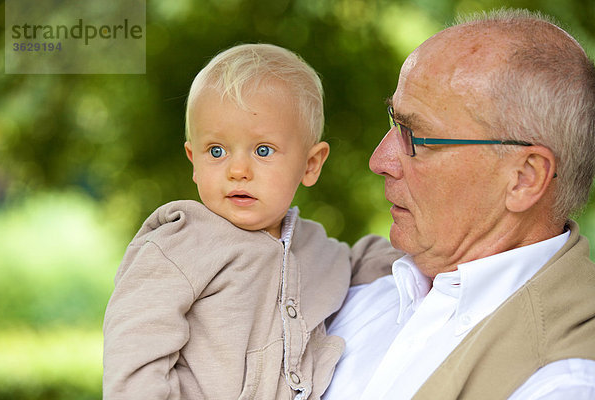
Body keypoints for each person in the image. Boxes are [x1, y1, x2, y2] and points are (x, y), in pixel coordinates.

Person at [323, 8, 595, 400]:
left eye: (414, 136)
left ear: (524, 177)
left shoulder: (565, 377)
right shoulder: (348, 288)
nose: (379, 161)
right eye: (392, 122)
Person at [102, 43, 397, 400]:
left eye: (262, 150)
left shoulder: (316, 250)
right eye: (216, 151)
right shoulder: (178, 245)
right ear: (193, 159)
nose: (238, 170)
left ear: (310, 164)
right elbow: (135, 348)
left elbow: (365, 262)